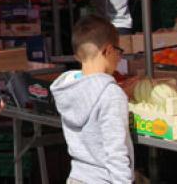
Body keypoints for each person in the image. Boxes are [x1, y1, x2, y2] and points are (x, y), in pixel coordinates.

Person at [50, 16, 133, 184]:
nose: (119, 58)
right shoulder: (110, 94)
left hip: (77, 177)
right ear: (108, 50)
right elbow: (116, 152)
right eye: (119, 51)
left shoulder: (70, 88)